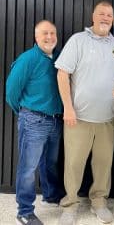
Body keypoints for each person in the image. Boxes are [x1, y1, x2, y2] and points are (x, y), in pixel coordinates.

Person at [55, 1, 114, 225]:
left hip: (108, 119)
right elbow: (62, 74)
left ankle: (99, 202)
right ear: (93, 17)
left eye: (109, 15)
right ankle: (70, 205)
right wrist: (68, 107)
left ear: (113, 20)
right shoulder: (78, 41)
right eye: (101, 14)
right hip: (78, 118)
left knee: (103, 165)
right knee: (74, 165)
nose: (106, 18)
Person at [6, 20, 63, 225]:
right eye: (45, 34)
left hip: (56, 121)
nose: (49, 37)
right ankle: (24, 211)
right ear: (36, 37)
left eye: (53, 33)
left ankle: (50, 196)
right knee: (28, 168)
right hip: (34, 120)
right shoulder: (27, 59)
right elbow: (11, 92)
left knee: (50, 162)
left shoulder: (58, 58)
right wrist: (25, 113)